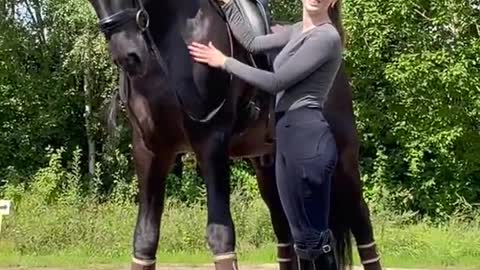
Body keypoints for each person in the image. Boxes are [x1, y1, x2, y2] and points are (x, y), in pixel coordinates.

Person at [188, 0, 342, 269]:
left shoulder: (327, 37)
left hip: (308, 137)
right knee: (301, 239)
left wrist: (224, 62)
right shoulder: (297, 31)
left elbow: (276, 81)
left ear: (333, 2)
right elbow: (253, 43)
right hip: (287, 137)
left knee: (315, 238)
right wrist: (228, 5)